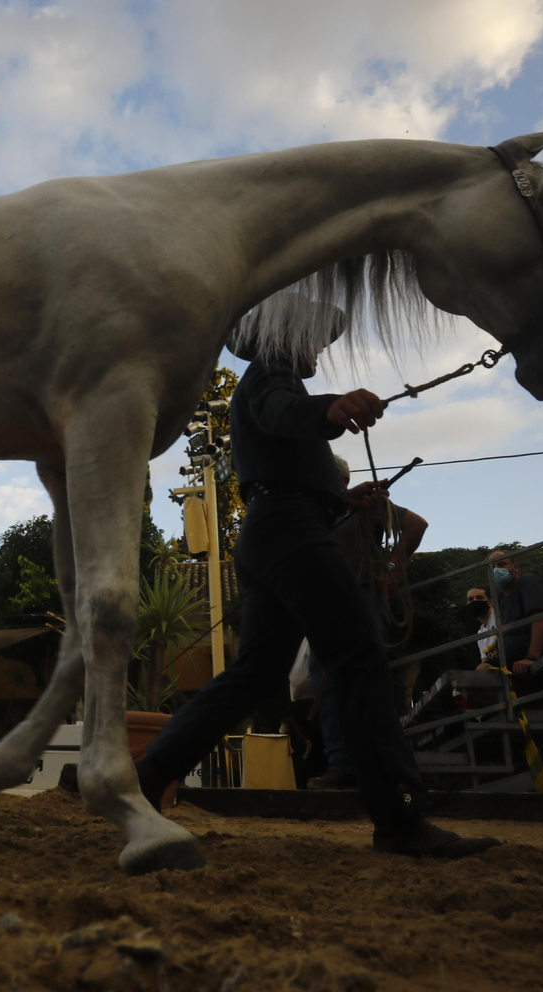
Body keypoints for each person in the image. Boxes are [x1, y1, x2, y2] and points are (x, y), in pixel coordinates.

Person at [135, 303, 497, 858]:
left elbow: (282, 449)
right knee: (358, 655)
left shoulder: (262, 380)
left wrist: (338, 499)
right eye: (315, 339)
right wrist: (333, 407)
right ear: (289, 336)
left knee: (257, 675)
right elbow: (285, 412)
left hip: (273, 530)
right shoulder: (273, 371)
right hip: (290, 531)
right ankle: (399, 817)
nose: (318, 349)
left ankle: (149, 773)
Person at [305, 455, 428, 790]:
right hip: (325, 603)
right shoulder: (317, 511)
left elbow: (416, 525)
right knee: (326, 682)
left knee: (365, 679)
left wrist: (392, 569)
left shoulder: (369, 506)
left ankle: (383, 771)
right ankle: (342, 765)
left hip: (362, 597)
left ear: (341, 480)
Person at [480, 550, 543, 676]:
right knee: (481, 669)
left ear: (515, 567)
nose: (496, 570)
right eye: (492, 568)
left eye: (501, 565)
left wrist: (532, 657)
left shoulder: (527, 582)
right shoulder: (500, 597)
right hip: (513, 660)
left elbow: (542, 620)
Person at [464, 588, 495, 663]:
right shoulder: (480, 634)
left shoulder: (500, 617)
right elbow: (484, 662)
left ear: (490, 602)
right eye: (470, 599)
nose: (475, 601)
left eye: (479, 598)